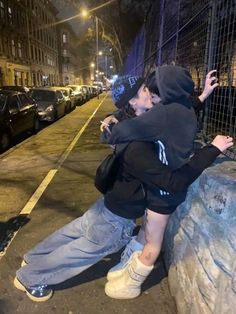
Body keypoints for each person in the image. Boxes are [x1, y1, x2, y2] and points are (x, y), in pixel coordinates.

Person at [14, 74, 232, 303]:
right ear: (133, 102)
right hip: (117, 219)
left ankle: (32, 258)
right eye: (143, 91)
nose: (150, 93)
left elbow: (173, 113)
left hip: (107, 206)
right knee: (80, 253)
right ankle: (29, 277)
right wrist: (212, 150)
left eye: (147, 88)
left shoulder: (136, 124)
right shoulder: (137, 146)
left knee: (74, 231)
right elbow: (172, 182)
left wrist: (202, 96)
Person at [100, 67, 219, 299]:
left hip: (163, 191)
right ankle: (128, 265)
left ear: (164, 91)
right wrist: (203, 95)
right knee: (146, 229)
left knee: (153, 244)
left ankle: (130, 284)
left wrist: (111, 127)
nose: (152, 96)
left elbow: (124, 131)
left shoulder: (162, 114)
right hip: (163, 188)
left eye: (152, 91)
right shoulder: (181, 109)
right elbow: (189, 106)